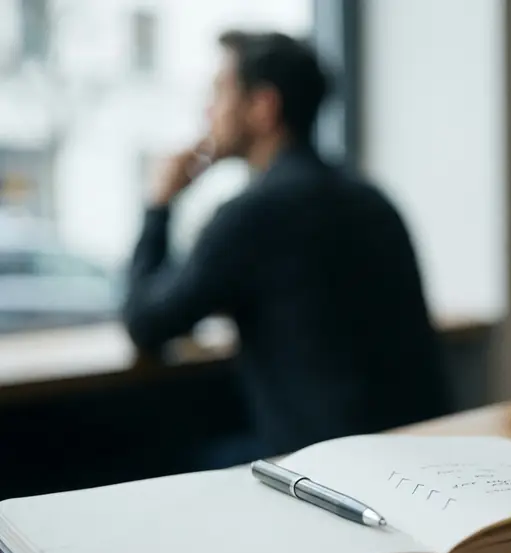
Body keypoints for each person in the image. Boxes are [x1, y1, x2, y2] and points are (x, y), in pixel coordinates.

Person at [124, 31, 451, 463]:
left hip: (319, 471)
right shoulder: (371, 197)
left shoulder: (253, 213)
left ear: (263, 107)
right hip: (413, 455)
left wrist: (159, 204)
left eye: (220, 92)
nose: (208, 110)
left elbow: (146, 322)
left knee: (147, 461)